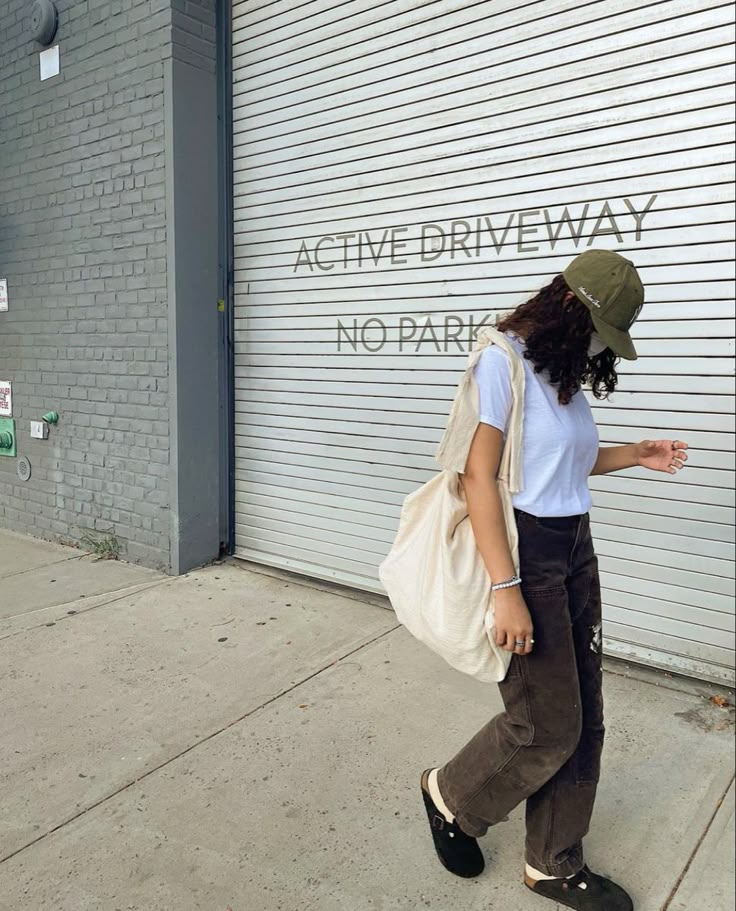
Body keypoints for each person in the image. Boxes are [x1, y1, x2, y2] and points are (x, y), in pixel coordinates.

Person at [419, 249, 689, 911]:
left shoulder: (557, 370)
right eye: (602, 332)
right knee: (545, 723)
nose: (601, 347)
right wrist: (505, 588)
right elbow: (479, 477)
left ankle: (552, 861)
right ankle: (452, 795)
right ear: (573, 307)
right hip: (527, 555)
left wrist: (637, 453)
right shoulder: (500, 360)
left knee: (585, 719)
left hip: (575, 550)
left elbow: (565, 461)